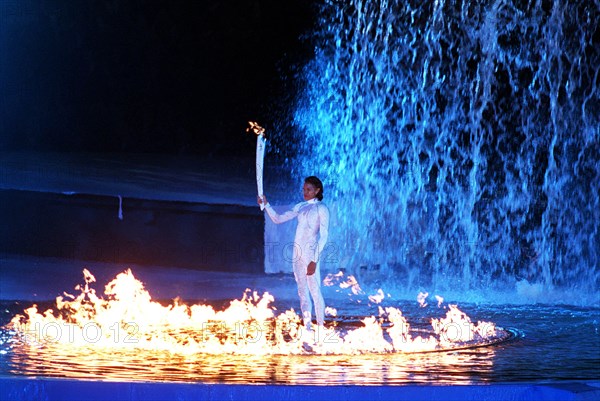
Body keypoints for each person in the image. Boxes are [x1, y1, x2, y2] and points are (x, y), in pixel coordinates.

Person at [258, 176, 329, 330]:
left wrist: (314, 260)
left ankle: (321, 329)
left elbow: (324, 236)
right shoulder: (300, 206)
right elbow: (277, 219)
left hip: (310, 255)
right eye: (304, 189)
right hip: (297, 255)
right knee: (302, 292)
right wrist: (266, 204)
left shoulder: (321, 208)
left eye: (309, 190)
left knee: (315, 292)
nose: (305, 192)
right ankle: (308, 327)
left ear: (317, 190)